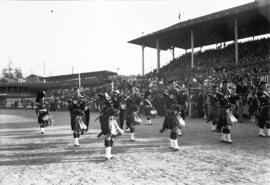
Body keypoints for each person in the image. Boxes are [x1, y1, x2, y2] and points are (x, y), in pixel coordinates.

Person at [97, 92, 124, 160]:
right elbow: (115, 112)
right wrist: (119, 109)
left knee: (111, 137)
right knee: (108, 136)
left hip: (109, 122)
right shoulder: (105, 106)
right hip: (108, 122)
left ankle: (109, 154)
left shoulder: (107, 105)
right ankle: (107, 155)